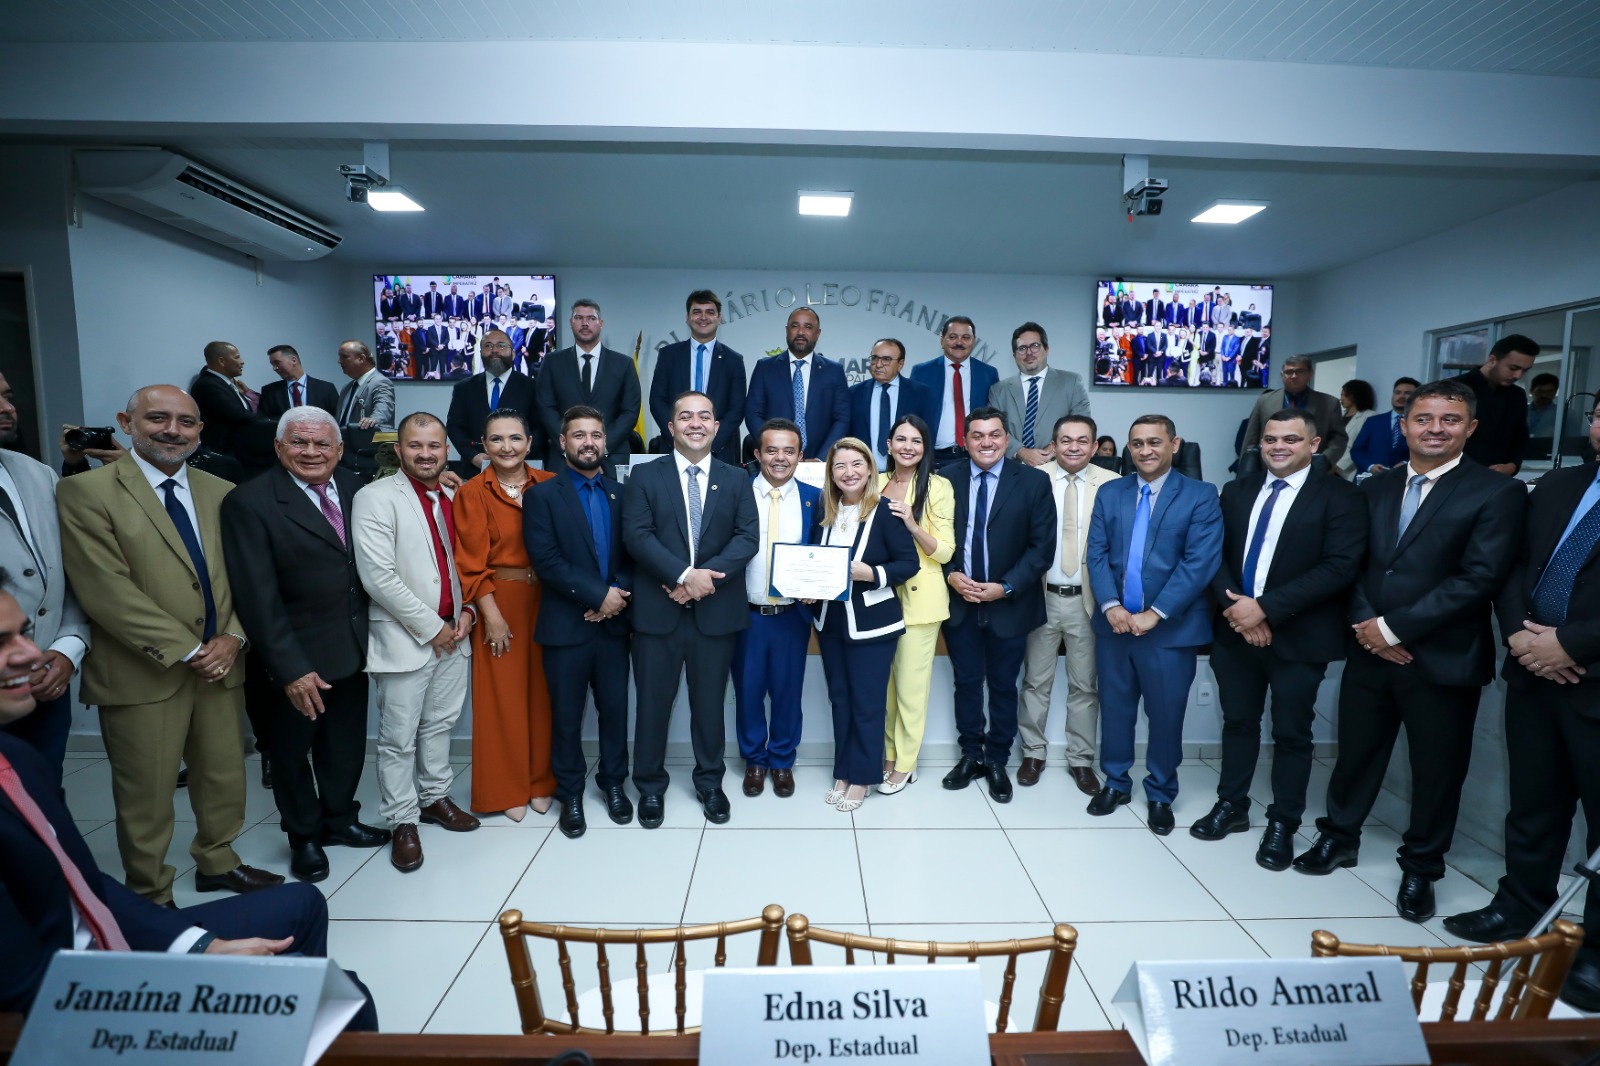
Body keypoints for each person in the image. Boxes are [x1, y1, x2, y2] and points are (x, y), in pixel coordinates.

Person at [0, 588, 378, 1029]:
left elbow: (84, 887)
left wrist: (199, 945)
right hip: (78, 1002)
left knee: (303, 903)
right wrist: (198, 979)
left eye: (24, 633)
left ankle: (282, 1037)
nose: (32, 653)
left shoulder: (19, 759)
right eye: (2, 642)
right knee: (348, 1000)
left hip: (102, 941)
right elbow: (29, 996)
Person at [1294, 380, 1525, 924]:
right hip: (1368, 651)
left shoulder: (1495, 493)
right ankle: (1339, 837)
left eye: (1449, 419)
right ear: (1404, 425)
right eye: (1424, 418)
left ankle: (1422, 867)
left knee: (1437, 771)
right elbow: (1348, 563)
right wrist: (1366, 625)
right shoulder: (1373, 488)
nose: (1435, 429)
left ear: (1470, 428)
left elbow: (1480, 577)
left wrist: (1393, 629)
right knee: (1355, 754)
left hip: (1441, 659)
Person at [57, 385, 280, 904]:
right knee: (146, 793)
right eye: (157, 418)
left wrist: (233, 639)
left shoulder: (220, 489)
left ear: (201, 430)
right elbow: (104, 589)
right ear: (126, 422)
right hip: (143, 672)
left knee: (223, 775)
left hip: (222, 664)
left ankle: (218, 861)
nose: (172, 431)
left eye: (186, 422)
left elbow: (242, 578)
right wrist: (189, 649)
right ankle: (151, 891)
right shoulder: (87, 492)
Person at [1444, 396, 1600, 1012]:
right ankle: (1519, 905)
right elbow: (1512, 567)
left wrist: (1569, 643)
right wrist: (1519, 634)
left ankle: (1594, 950)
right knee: (1533, 803)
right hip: (1534, 671)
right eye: (1599, 414)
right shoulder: (1559, 485)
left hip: (1590, 672)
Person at [219, 406, 390, 883]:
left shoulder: (358, 490)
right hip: (294, 657)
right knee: (292, 755)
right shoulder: (250, 503)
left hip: (354, 647)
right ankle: (305, 837)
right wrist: (289, 667)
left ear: (339, 450)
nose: (311, 452)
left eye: (321, 444)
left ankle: (340, 821)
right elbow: (255, 597)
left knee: (344, 747)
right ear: (279, 447)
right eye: (299, 442)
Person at [1193, 410, 1366, 869]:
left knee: (1292, 733)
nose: (1278, 446)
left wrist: (1264, 608)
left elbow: (1339, 567)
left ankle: (1283, 822)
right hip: (1235, 632)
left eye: (1291, 439)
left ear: (1314, 445)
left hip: (1300, 636)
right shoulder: (1237, 490)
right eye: (1270, 439)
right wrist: (1240, 612)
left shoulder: (1341, 497)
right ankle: (1231, 805)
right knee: (1238, 723)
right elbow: (1214, 555)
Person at [351, 413, 481, 872]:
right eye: (415, 446)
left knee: (440, 724)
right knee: (398, 737)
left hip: (456, 631)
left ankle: (434, 798)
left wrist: (466, 612)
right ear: (399, 449)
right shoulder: (374, 497)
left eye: (435, 445)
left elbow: (466, 563)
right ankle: (403, 820)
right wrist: (432, 626)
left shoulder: (454, 492)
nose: (426, 454)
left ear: (447, 449)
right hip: (408, 637)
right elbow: (378, 577)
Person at [622, 391, 758, 827]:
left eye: (704, 416)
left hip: (715, 616)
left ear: (718, 427)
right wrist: (684, 575)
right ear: (671, 426)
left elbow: (746, 539)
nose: (695, 423)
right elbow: (638, 537)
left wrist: (702, 580)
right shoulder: (645, 476)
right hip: (657, 615)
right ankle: (649, 786)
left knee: (709, 705)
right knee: (652, 706)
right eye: (685, 416)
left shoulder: (736, 479)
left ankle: (710, 782)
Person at [1085, 414, 1222, 835]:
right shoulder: (1111, 492)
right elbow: (1096, 552)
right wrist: (1110, 606)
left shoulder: (1200, 495)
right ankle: (1117, 782)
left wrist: (1154, 613)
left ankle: (1161, 792)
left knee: (1164, 716)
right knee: (1116, 710)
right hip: (1115, 626)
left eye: (1154, 442)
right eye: (1137, 443)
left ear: (1174, 444)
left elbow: (1200, 563)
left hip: (1169, 630)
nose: (1145, 451)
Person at [524, 406, 635, 838]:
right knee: (566, 716)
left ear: (605, 442)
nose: (588, 442)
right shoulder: (542, 496)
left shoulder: (622, 493)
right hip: (566, 626)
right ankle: (570, 792)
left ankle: (613, 784)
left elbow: (634, 553)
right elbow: (547, 561)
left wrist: (615, 596)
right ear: (562, 442)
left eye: (595, 434)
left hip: (613, 626)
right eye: (579, 435)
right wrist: (597, 596)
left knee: (615, 712)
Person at [939, 407, 1054, 803]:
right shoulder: (945, 479)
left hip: (1011, 603)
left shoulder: (1034, 482)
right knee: (966, 683)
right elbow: (933, 538)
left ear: (1007, 439)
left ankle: (997, 760)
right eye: (977, 435)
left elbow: (1042, 549)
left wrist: (1005, 587)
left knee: (1005, 686)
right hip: (960, 602)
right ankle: (971, 755)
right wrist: (952, 574)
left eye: (994, 435)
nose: (986, 442)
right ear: (965, 440)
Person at [453, 408, 557, 823]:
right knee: (502, 697)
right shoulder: (472, 493)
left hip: (551, 598)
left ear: (530, 443)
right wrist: (490, 615)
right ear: (483, 447)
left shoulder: (550, 484)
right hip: (501, 600)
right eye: (496, 439)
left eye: (515, 438)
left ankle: (541, 782)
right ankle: (507, 787)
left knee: (545, 692)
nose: (507, 447)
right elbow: (471, 564)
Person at [807, 438, 919, 813]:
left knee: (868, 703)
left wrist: (871, 572)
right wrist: (807, 586)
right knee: (840, 699)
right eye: (840, 466)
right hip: (830, 620)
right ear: (831, 473)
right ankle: (844, 770)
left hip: (871, 623)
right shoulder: (826, 509)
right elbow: (813, 559)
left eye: (857, 464)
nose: (849, 472)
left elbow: (908, 564)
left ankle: (863, 777)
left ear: (870, 468)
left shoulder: (886, 511)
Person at [1016, 415, 1119, 795]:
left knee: (1084, 687)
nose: (1073, 447)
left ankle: (1080, 759)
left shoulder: (1112, 484)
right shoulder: (1032, 479)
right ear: (1054, 444)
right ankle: (1033, 753)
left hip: (1088, 602)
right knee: (1034, 682)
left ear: (1094, 447)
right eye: (1065, 440)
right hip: (1041, 596)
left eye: (1082, 441)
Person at [0, 373, 89, 779]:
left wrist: (69, 648)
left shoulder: (38, 474)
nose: (7, 409)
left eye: (7, 395)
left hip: (47, 681)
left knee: (45, 798)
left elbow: (68, 574)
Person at [733, 419, 819, 800]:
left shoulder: (816, 498)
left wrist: (819, 585)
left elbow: (825, 551)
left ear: (800, 456)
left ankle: (782, 760)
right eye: (771, 450)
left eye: (789, 451)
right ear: (757, 454)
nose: (780, 458)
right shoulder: (736, 492)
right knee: (748, 691)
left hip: (790, 616)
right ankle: (755, 760)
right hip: (744, 613)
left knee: (787, 692)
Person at [878, 413, 953, 793]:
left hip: (920, 602)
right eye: (900, 439)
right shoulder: (874, 482)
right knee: (886, 687)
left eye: (916, 441)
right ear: (888, 445)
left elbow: (944, 551)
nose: (908, 447)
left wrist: (911, 523)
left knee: (910, 688)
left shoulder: (937, 487)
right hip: (875, 599)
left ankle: (906, 764)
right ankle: (890, 756)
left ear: (925, 449)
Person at [533, 299, 641, 474]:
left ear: (601, 323)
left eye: (591, 318)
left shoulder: (624, 364)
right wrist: (572, 447)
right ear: (570, 323)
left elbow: (630, 412)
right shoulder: (552, 363)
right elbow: (546, 408)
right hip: (564, 459)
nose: (585, 323)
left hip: (611, 459)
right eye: (578, 318)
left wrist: (599, 449)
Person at [650, 290, 748, 465]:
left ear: (719, 318)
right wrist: (678, 438)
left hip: (720, 450)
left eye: (710, 312)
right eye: (697, 312)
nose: (703, 317)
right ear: (687, 318)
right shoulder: (668, 355)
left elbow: (737, 409)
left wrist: (710, 443)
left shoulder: (733, 360)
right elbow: (657, 401)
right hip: (674, 447)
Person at [744, 307, 851, 461]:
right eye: (795, 326)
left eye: (808, 327)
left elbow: (842, 419)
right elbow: (753, 413)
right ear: (787, 330)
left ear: (818, 333)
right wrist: (773, 449)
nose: (800, 332)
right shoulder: (765, 367)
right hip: (775, 461)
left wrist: (822, 458)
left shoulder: (834, 371)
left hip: (819, 463)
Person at [988, 323, 1091, 466]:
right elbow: (994, 430)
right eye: (1022, 348)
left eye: (1035, 346)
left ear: (1046, 349)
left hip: (1058, 467)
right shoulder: (998, 390)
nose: (1029, 353)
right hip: (1012, 468)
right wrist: (1022, 452)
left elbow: (1082, 424)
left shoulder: (1071, 382)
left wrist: (1052, 450)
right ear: (1014, 355)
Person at [445, 329, 538, 476]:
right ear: (481, 353)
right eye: (488, 346)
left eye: (501, 345)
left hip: (521, 470)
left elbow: (539, 428)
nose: (495, 350)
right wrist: (473, 456)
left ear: (513, 353)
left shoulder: (532, 387)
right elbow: (454, 427)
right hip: (475, 471)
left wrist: (518, 454)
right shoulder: (463, 388)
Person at [909, 317, 998, 466]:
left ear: (974, 341)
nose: (959, 342)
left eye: (966, 337)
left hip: (975, 456)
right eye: (953, 337)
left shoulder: (989, 373)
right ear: (942, 340)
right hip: (934, 458)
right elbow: (912, 416)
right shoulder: (921, 372)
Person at [1242, 356, 1349, 469]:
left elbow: (1339, 438)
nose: (1294, 376)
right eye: (1289, 372)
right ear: (1282, 375)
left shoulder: (1329, 403)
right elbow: (1251, 437)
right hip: (1270, 467)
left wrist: (1325, 460)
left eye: (1300, 371)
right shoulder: (1265, 401)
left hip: (1311, 468)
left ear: (1310, 374)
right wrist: (1248, 467)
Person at [1453, 334, 1538, 475]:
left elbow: (1520, 437)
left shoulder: (1517, 395)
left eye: (1524, 370)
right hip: (1455, 476)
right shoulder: (1453, 388)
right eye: (1513, 368)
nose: (1518, 375)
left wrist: (1513, 465)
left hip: (1498, 481)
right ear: (1492, 360)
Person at [847, 338, 936, 472]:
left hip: (907, 474)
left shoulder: (921, 394)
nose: (878, 364)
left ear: (901, 364)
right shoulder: (854, 393)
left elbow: (928, 437)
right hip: (864, 475)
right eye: (874, 358)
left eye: (886, 359)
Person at [1347, 377, 1419, 475]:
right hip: (1369, 478)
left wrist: (1407, 463)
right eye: (1397, 392)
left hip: (1400, 479)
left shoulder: (1419, 424)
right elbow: (1356, 450)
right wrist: (1370, 466)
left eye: (1407, 393)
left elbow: (1424, 453)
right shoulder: (1374, 421)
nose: (1401, 396)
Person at [259, 344, 340, 421]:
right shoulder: (269, 392)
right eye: (272, 364)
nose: (274, 368)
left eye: (277, 363)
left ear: (293, 360)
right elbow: (264, 422)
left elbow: (336, 419)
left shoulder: (326, 389)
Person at [335, 340, 396, 430]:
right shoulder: (347, 388)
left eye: (344, 357)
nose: (339, 361)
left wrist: (372, 420)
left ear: (361, 359)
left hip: (368, 442)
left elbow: (383, 410)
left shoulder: (381, 382)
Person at [1333, 379, 1377, 479]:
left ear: (1355, 395)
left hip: (1348, 470)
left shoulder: (1369, 417)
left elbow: (1358, 446)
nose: (1341, 399)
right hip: (1331, 464)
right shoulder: (1339, 415)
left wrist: (1337, 466)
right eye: (1341, 395)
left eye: (1345, 395)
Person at [1525, 372, 1561, 443]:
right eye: (1540, 391)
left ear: (1555, 392)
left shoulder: (1564, 414)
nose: (1544, 395)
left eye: (1549, 391)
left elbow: (1572, 441)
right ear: (1531, 391)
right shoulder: (1520, 411)